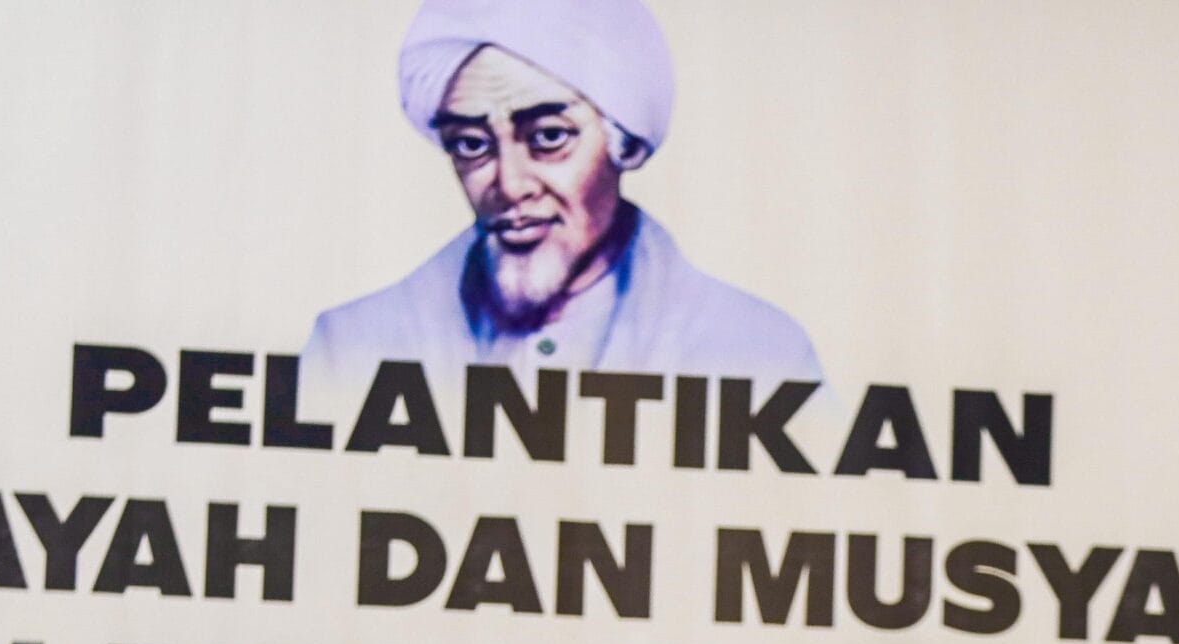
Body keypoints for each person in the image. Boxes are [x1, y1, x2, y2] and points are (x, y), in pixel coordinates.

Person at [301, 0, 822, 394]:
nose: (510, 184)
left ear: (625, 143)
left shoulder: (760, 354)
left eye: (549, 137)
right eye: (472, 144)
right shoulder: (350, 348)